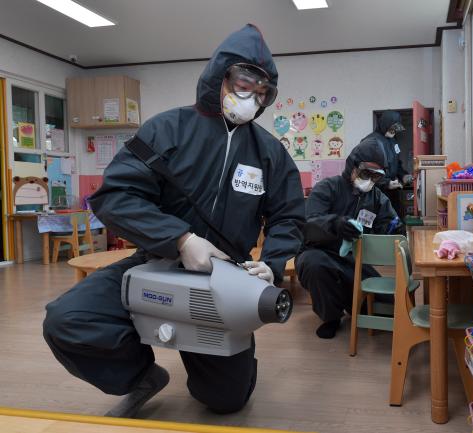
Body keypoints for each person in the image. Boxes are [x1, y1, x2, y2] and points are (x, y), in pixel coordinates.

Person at [42, 24, 305, 417]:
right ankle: (140, 375)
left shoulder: (269, 152)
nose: (252, 97)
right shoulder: (167, 129)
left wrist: (271, 265)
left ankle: (217, 359)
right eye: (244, 83)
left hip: (223, 279)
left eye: (263, 91)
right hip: (155, 263)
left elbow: (288, 217)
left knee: (226, 401)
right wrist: (180, 239)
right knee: (68, 320)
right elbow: (114, 197)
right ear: (221, 76)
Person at [296, 138, 405, 339]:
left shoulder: (377, 198)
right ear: (352, 166)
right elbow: (308, 225)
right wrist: (335, 225)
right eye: (366, 173)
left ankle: (351, 305)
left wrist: (396, 228)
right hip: (319, 252)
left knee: (387, 307)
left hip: (353, 260)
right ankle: (331, 317)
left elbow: (389, 225)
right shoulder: (328, 188)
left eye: (376, 177)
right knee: (315, 266)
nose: (370, 180)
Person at [363, 111, 412, 215]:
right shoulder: (370, 141)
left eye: (396, 129)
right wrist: (386, 183)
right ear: (384, 124)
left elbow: (397, 164)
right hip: (374, 192)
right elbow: (365, 170)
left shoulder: (393, 141)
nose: (394, 131)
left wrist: (403, 175)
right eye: (392, 128)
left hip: (392, 191)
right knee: (377, 224)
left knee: (396, 221)